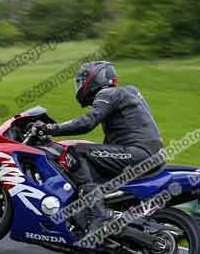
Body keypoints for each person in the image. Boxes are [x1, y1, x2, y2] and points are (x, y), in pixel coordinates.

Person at [35, 61, 164, 234]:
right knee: (90, 164)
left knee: (76, 151)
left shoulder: (107, 93)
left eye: (82, 80)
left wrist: (51, 128)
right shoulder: (126, 93)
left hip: (138, 153)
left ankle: (99, 215)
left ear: (95, 78)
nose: (79, 86)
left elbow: (87, 122)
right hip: (146, 153)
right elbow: (115, 138)